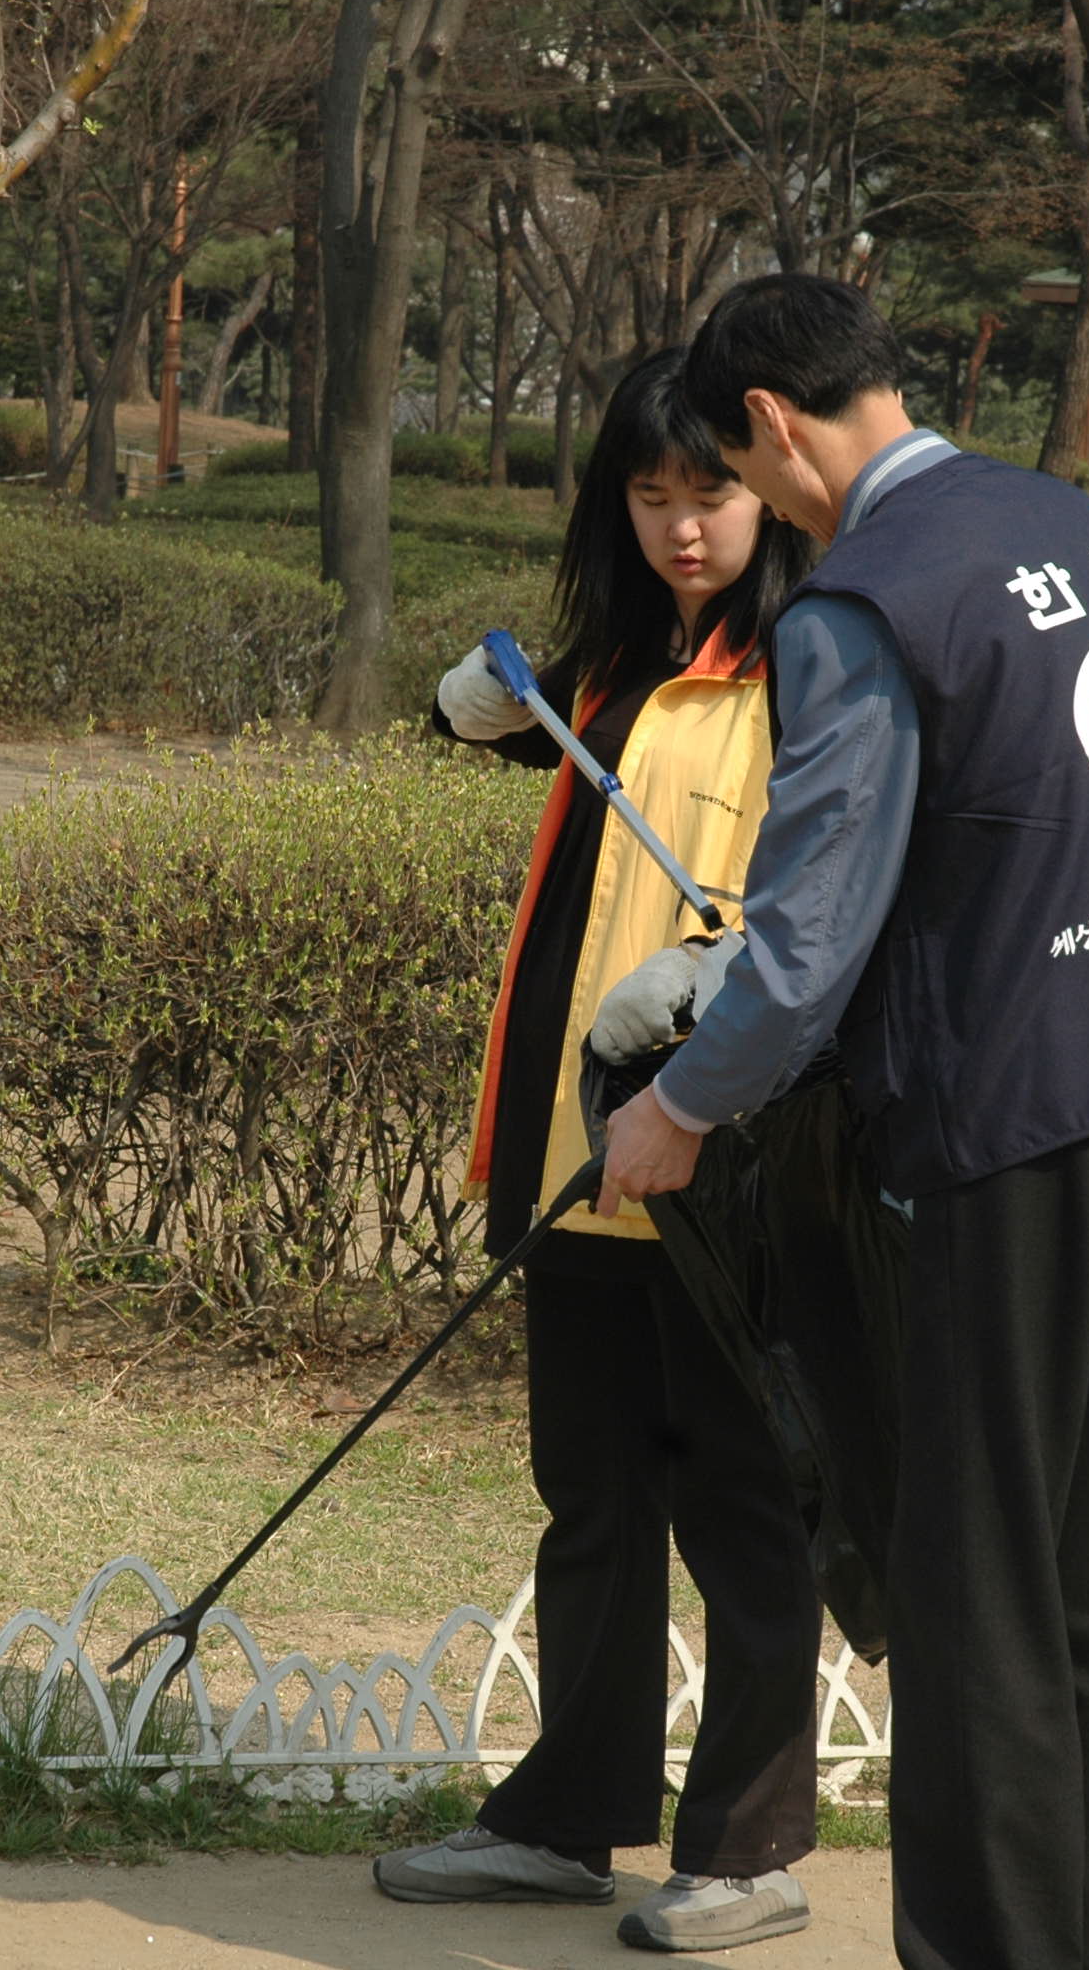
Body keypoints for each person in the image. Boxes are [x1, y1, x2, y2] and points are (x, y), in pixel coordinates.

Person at [596, 276, 1089, 1970]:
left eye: (739, 468)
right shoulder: (1068, 521)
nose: (750, 508)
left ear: (772, 425)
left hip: (1021, 1120)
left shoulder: (862, 603)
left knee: (976, 1589)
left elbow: (810, 934)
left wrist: (680, 1112)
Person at [375, 349, 829, 1954]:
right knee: (593, 1497)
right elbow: (474, 726)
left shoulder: (817, 672)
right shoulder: (614, 677)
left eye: (708, 493)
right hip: (578, 1159)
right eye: (649, 497)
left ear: (765, 489)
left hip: (726, 1164)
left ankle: (752, 1843)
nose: (681, 528)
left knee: (744, 1505)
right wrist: (476, 700)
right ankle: (567, 1819)